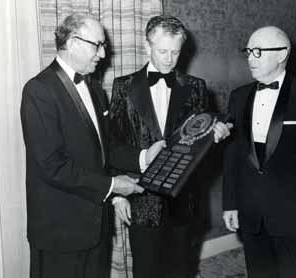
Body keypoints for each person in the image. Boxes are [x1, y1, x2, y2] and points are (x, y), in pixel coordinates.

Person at [20, 14, 144, 278]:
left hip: (96, 226)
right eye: (97, 45)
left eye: (104, 46)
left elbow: (105, 149)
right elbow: (51, 166)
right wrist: (112, 186)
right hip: (59, 232)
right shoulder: (38, 90)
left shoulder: (96, 90)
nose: (102, 54)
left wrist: (143, 158)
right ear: (73, 43)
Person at [109, 15, 231, 278]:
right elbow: (113, 145)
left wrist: (215, 137)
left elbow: (200, 147)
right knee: (146, 271)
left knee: (181, 271)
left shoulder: (196, 87)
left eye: (175, 52)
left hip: (183, 201)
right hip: (141, 201)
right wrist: (118, 195)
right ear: (146, 46)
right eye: (162, 51)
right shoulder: (123, 87)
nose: (169, 59)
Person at [222, 26, 296, 278]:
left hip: (293, 217)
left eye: (258, 52)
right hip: (251, 215)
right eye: (249, 51)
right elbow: (232, 156)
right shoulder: (238, 97)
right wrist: (230, 203)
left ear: (282, 54)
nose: (250, 58)